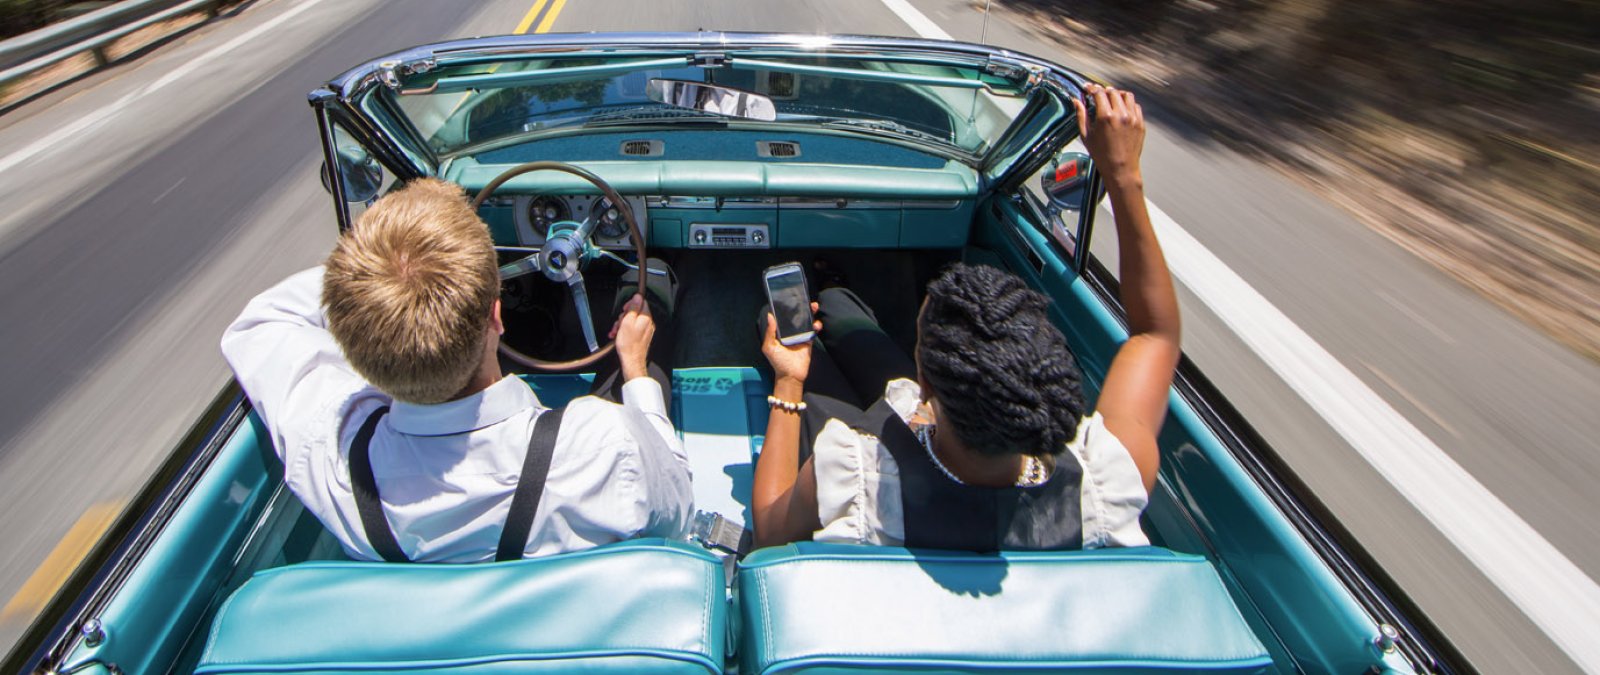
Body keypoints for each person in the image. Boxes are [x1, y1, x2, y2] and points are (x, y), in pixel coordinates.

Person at [751, 84, 1179, 551]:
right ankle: (834, 294)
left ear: (923, 391)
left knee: (788, 342)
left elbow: (772, 531)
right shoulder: (1106, 482)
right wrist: (1123, 175)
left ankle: (826, 301)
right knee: (841, 318)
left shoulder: (854, 471)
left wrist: (789, 382)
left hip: (903, 434)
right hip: (948, 429)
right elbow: (1155, 334)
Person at [221, 178, 692, 563]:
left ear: (353, 339)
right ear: (496, 315)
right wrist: (633, 371)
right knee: (645, 332)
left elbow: (263, 321)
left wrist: (376, 273)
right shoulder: (605, 446)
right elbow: (677, 515)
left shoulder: (337, 462)